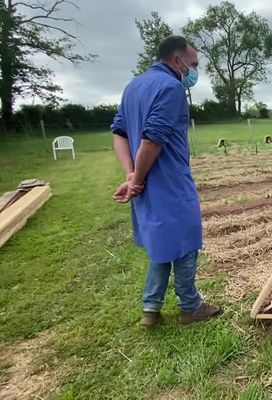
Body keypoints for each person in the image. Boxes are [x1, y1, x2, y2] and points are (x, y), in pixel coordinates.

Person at [111, 36, 222, 326]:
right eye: (194, 64)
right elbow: (152, 139)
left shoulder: (133, 86)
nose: (195, 70)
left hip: (145, 184)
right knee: (185, 242)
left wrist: (131, 174)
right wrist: (137, 177)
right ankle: (191, 306)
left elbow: (119, 133)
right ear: (177, 61)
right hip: (169, 180)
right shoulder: (171, 87)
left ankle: (150, 308)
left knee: (160, 242)